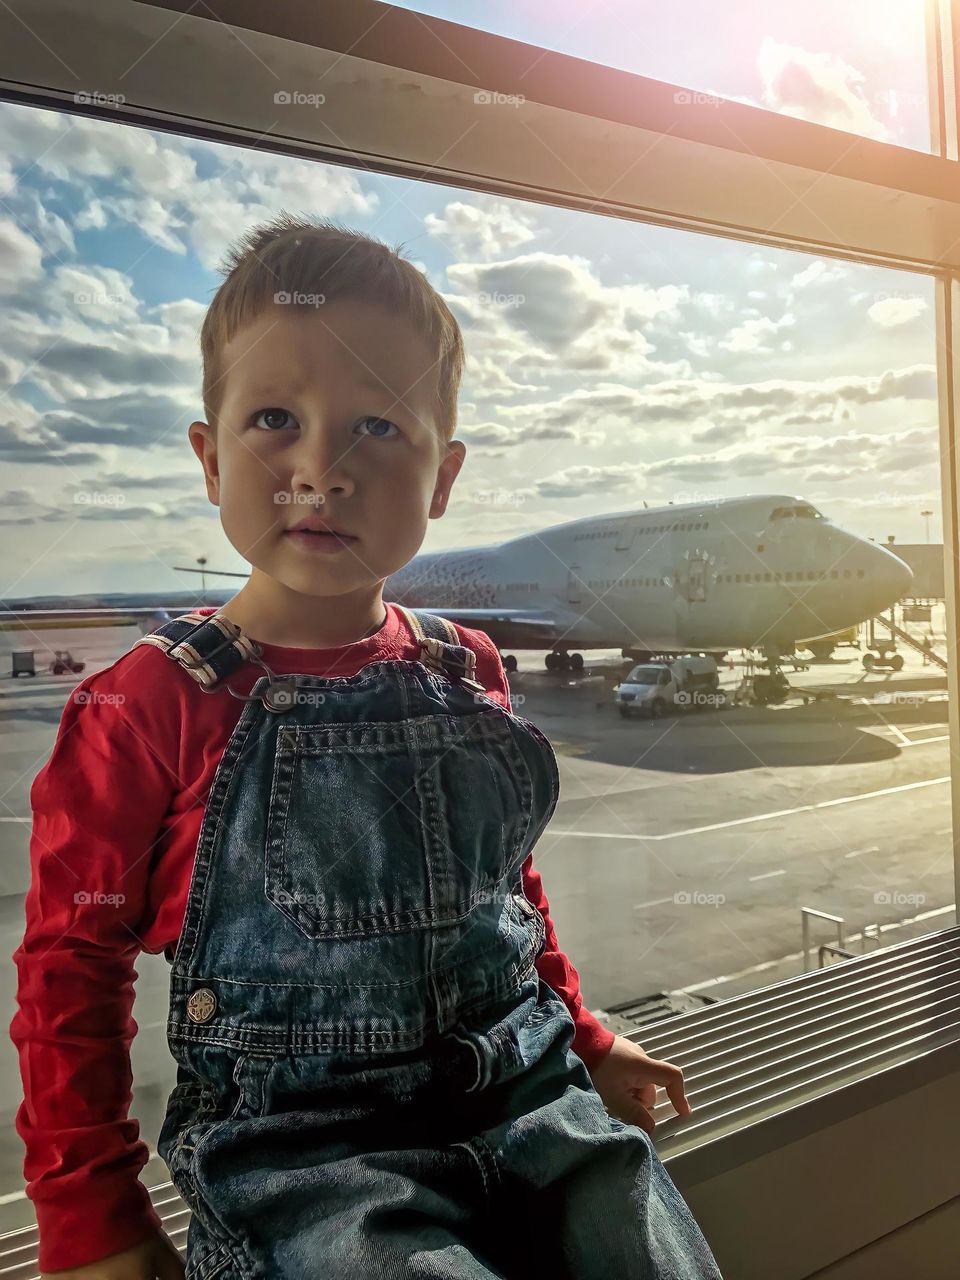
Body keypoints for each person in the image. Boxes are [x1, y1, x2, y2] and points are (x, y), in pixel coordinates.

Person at [11, 213, 724, 1279]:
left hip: (529, 1096)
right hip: (311, 1163)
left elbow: (503, 892)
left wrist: (582, 1031)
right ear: (209, 459)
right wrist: (93, 1211)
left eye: (378, 429)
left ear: (444, 479)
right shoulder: (151, 701)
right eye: (273, 418)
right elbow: (71, 966)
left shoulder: (467, 667)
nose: (321, 468)